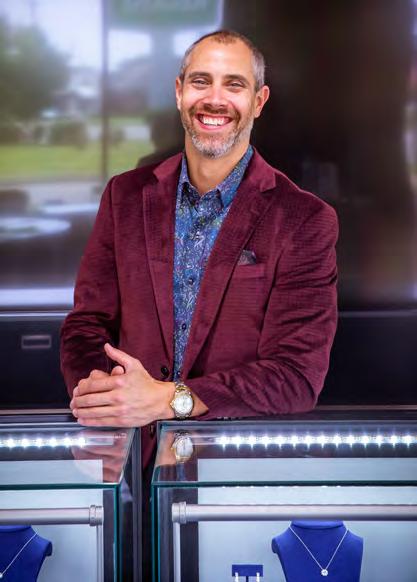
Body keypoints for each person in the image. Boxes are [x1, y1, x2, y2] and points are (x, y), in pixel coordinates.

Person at [61, 30, 338, 467]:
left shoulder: (304, 219)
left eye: (234, 84)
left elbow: (295, 377)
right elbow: (86, 326)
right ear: (179, 92)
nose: (215, 99)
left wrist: (169, 399)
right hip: (132, 465)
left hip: (233, 473)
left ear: (259, 101)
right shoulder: (124, 196)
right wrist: (107, 408)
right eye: (201, 81)